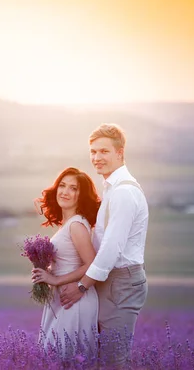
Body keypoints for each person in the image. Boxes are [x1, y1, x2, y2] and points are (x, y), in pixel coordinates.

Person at [59, 123, 149, 367]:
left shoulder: (123, 192)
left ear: (120, 153)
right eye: (93, 152)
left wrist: (81, 286)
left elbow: (111, 248)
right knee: (101, 359)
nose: (97, 158)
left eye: (104, 151)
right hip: (108, 280)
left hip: (120, 281)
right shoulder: (111, 188)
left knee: (113, 362)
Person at [31, 167, 101, 357]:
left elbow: (91, 264)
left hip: (74, 298)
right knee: (56, 357)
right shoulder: (68, 224)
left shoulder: (76, 225)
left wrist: (54, 280)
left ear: (81, 196)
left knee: (64, 357)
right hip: (63, 297)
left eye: (73, 188)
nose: (65, 192)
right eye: (62, 186)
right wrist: (44, 269)